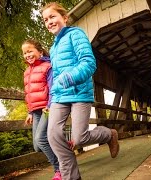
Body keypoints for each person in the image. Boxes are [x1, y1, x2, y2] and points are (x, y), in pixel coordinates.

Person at [41, 2, 120, 179]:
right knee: (53, 135)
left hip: (79, 93)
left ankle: (109, 134)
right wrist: (50, 100)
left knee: (79, 139)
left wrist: (70, 77)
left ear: (65, 18)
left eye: (52, 16)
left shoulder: (75, 34)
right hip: (60, 96)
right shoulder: (53, 48)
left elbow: (89, 63)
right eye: (46, 20)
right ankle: (72, 177)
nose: (49, 22)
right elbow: (55, 77)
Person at [22, 39, 62, 180]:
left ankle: (59, 169)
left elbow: (53, 88)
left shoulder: (47, 67)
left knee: (41, 139)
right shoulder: (27, 72)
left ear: (39, 51)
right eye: (25, 53)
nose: (27, 55)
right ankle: (62, 146)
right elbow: (29, 93)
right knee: (37, 146)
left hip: (48, 108)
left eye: (30, 51)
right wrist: (30, 112)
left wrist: (49, 106)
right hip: (36, 111)